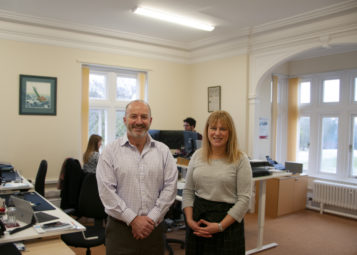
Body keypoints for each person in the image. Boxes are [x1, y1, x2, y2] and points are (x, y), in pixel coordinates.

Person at [96, 100, 178, 255]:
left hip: (153, 230)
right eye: (134, 116)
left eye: (144, 117)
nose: (139, 121)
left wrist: (151, 219)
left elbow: (170, 187)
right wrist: (133, 219)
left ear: (150, 121)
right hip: (120, 231)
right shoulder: (110, 151)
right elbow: (106, 192)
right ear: (125, 120)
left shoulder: (163, 151)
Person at [182, 110, 252, 255]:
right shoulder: (197, 155)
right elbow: (188, 191)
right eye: (213, 128)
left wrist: (220, 226)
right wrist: (189, 221)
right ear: (207, 130)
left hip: (227, 222)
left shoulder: (240, 159)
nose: (217, 133)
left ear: (230, 132)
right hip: (198, 220)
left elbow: (244, 199)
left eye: (223, 129)